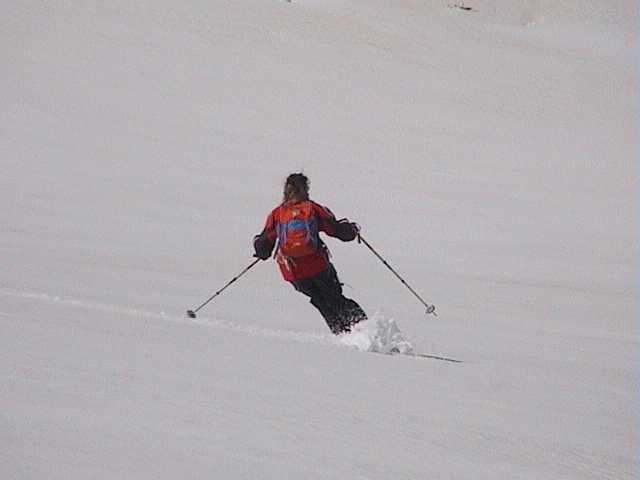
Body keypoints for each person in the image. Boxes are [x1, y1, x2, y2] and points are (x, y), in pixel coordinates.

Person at [253, 173, 367, 334]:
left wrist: (261, 251)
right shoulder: (312, 208)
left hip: (293, 272)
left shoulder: (277, 214)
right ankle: (364, 329)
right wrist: (352, 230)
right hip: (317, 265)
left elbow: (264, 244)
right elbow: (336, 229)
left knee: (320, 301)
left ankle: (342, 334)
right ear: (305, 189)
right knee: (335, 298)